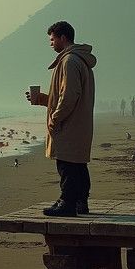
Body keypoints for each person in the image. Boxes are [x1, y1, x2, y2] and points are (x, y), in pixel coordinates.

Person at [26, 20, 97, 217]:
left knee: (66, 164)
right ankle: (79, 202)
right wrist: (42, 99)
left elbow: (69, 96)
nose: (51, 43)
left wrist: (55, 118)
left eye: (52, 39)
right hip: (79, 122)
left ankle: (68, 202)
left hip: (70, 123)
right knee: (77, 164)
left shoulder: (69, 61)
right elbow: (67, 95)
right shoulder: (78, 60)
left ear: (62, 38)